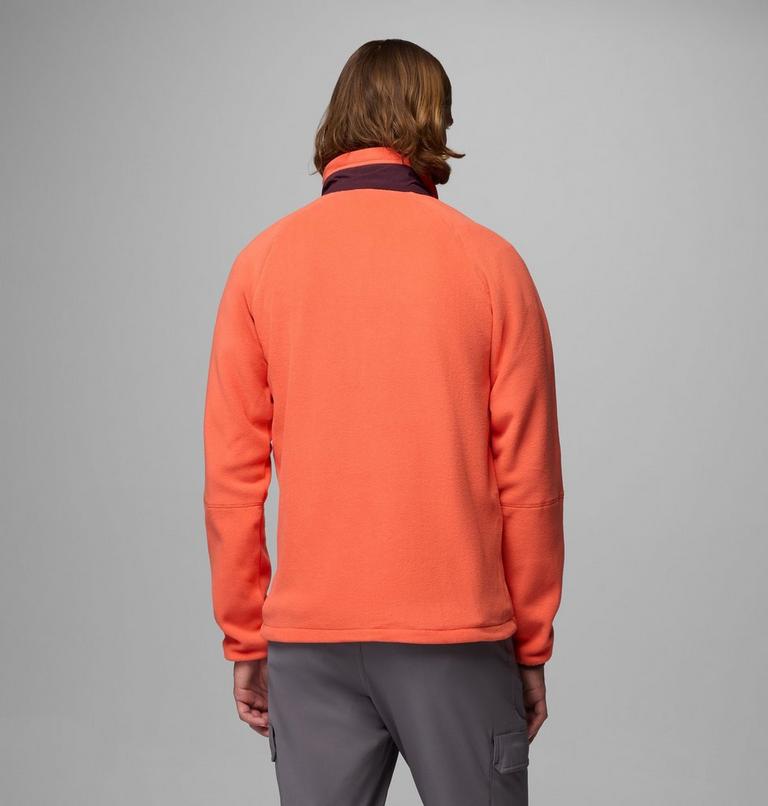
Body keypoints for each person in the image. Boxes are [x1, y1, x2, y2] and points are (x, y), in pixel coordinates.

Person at [203, 38, 565, 806]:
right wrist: (530, 645)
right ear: (436, 122)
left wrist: (246, 636)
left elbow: (233, 482)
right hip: (458, 639)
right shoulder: (491, 264)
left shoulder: (261, 264)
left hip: (309, 639)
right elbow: (529, 482)